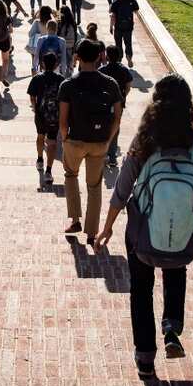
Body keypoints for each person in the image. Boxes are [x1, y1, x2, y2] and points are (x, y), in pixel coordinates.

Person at [96, 73, 193, 379]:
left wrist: (107, 227)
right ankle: (171, 328)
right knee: (176, 270)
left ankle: (145, 358)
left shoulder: (144, 141)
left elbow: (122, 191)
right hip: (184, 234)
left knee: (141, 289)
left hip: (142, 232)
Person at [59, 39, 123, 241]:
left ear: (77, 56)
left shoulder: (68, 84)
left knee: (71, 175)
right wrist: (108, 140)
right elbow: (117, 117)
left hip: (75, 140)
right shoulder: (110, 83)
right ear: (98, 57)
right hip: (99, 142)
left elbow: (62, 120)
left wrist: (65, 138)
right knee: (94, 186)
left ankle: (75, 219)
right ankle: (92, 230)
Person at [28, 50, 66, 186]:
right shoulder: (61, 79)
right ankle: (49, 171)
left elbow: (32, 97)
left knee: (40, 137)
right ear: (56, 64)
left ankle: (39, 159)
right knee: (52, 142)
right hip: (54, 117)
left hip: (40, 114)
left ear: (43, 64)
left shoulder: (37, 78)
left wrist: (35, 109)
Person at [99, 45, 133, 168]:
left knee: (104, 128)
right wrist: (123, 97)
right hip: (118, 104)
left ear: (107, 56)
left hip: (105, 104)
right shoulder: (124, 70)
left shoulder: (102, 70)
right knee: (115, 128)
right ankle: (112, 157)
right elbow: (129, 85)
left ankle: (104, 154)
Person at [109, 0, 139, 68]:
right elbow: (136, 12)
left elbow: (112, 16)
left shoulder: (116, 2)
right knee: (128, 43)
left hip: (118, 27)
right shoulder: (133, 2)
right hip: (128, 27)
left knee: (118, 44)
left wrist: (111, 27)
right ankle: (129, 58)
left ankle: (119, 60)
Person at [26, 4, 51, 74]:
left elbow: (30, 34)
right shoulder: (51, 23)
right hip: (47, 47)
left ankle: (34, 79)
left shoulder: (37, 22)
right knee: (45, 65)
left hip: (35, 46)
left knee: (34, 65)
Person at [57, 5, 79, 75]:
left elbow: (58, 34)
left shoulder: (60, 22)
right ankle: (69, 75)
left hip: (62, 45)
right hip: (71, 45)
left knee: (62, 63)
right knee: (70, 63)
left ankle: (63, 75)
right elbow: (75, 35)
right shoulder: (73, 22)